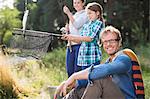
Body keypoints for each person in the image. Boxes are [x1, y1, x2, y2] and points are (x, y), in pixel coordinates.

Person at [54, 26, 145, 99]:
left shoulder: (124, 58)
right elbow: (93, 75)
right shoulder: (109, 61)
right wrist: (71, 83)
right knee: (80, 90)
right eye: (105, 42)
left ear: (119, 42)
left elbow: (105, 70)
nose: (108, 44)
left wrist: (74, 76)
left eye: (112, 41)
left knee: (100, 78)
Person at [62, 2, 104, 88]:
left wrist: (72, 36)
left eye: (90, 13)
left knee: (91, 81)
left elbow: (90, 38)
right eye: (87, 13)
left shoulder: (98, 23)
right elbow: (80, 40)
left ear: (97, 13)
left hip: (92, 57)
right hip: (83, 58)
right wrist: (69, 38)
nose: (88, 15)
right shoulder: (86, 25)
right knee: (83, 83)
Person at [62, 0, 89, 78]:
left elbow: (77, 25)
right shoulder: (74, 15)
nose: (76, 5)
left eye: (78, 3)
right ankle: (70, 88)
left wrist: (68, 13)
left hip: (79, 45)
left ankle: (78, 89)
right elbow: (73, 29)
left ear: (83, 3)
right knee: (69, 70)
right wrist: (66, 30)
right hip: (70, 46)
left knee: (77, 70)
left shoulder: (86, 14)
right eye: (74, 3)